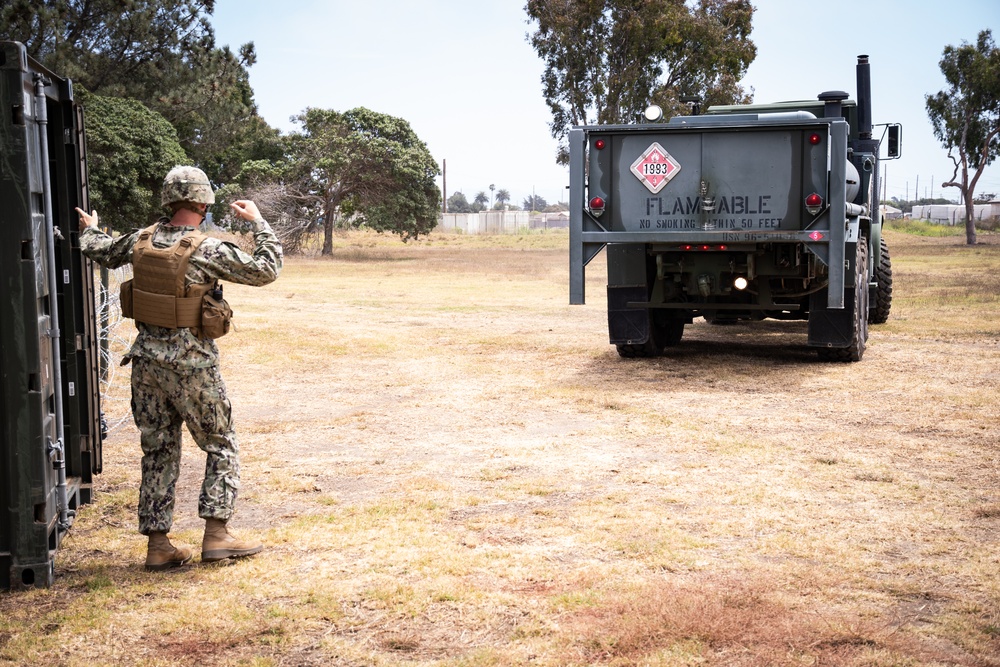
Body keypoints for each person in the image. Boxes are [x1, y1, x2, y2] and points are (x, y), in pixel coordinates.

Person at [76, 165, 282, 571]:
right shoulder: (207, 249)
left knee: (158, 449)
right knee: (220, 443)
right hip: (192, 367)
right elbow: (267, 269)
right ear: (203, 203)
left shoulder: (140, 240)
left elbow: (100, 249)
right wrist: (258, 223)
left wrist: (90, 228)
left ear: (168, 200)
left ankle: (158, 545)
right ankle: (217, 535)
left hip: (145, 364)